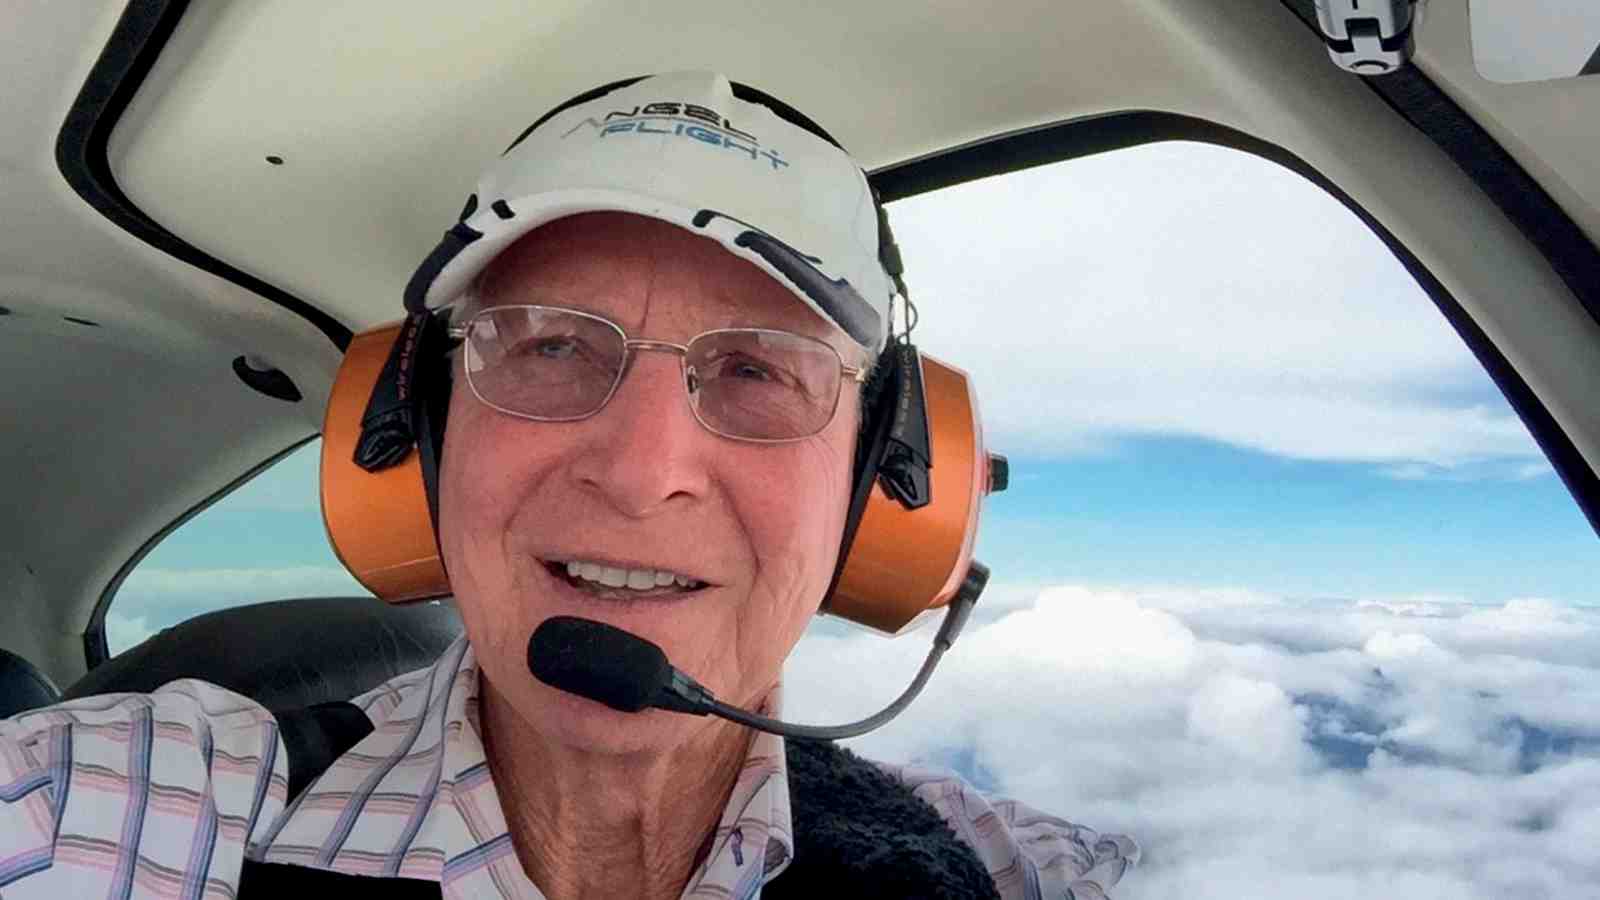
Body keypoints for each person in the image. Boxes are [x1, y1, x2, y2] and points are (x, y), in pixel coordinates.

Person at [0, 72, 1137, 899]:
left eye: (756, 371)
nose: (641, 475)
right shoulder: (106, 812)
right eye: (546, 346)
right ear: (416, 433)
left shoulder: (1001, 874)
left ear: (882, 481)